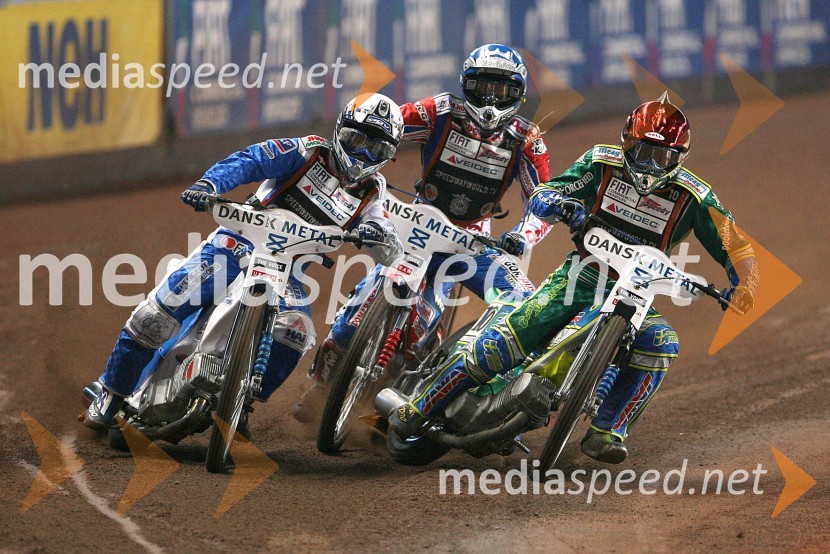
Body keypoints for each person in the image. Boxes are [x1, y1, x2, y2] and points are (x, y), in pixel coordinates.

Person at [386, 92, 759, 463]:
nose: (650, 165)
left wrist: (745, 286)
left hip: (635, 295)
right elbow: (549, 191)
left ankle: (608, 431)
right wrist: (557, 204)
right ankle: (417, 408)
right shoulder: (600, 161)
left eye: (662, 157)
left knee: (662, 341)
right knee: (500, 344)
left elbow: (737, 246)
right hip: (578, 278)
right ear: (626, 144)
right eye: (643, 153)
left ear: (680, 158)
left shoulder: (695, 196)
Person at [83, 94, 405, 431]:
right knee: (156, 315)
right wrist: (210, 184)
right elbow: (250, 160)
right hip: (237, 244)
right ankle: (112, 392)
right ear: (340, 130)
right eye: (357, 140)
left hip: (288, 271)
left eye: (376, 150)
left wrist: (376, 233)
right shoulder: (307, 152)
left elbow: (384, 229)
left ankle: (239, 399)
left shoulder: (372, 190)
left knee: (296, 333)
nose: (363, 154)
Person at [291, 44, 553, 421]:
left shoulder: (528, 140)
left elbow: (542, 200)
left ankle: (493, 401)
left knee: (527, 306)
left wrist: (524, 237)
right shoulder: (437, 112)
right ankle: (322, 385)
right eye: (484, 87)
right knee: (351, 322)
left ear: (519, 95)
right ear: (466, 84)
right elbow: (380, 125)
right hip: (417, 228)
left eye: (504, 91)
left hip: (472, 243)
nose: (492, 100)